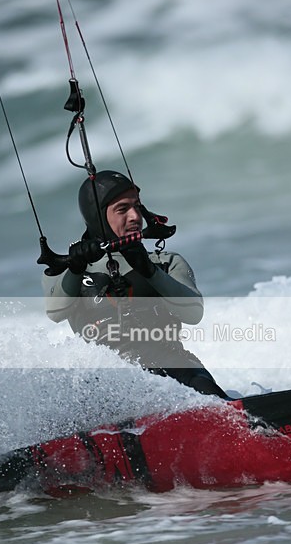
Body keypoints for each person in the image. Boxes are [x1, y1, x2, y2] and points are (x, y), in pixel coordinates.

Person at [42, 170, 228, 398]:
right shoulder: (67, 271)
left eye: (137, 207)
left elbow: (193, 314)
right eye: (122, 209)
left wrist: (150, 271)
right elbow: (56, 312)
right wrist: (75, 269)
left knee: (207, 390)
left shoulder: (165, 262)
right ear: (97, 217)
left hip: (173, 367)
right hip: (107, 383)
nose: (134, 217)